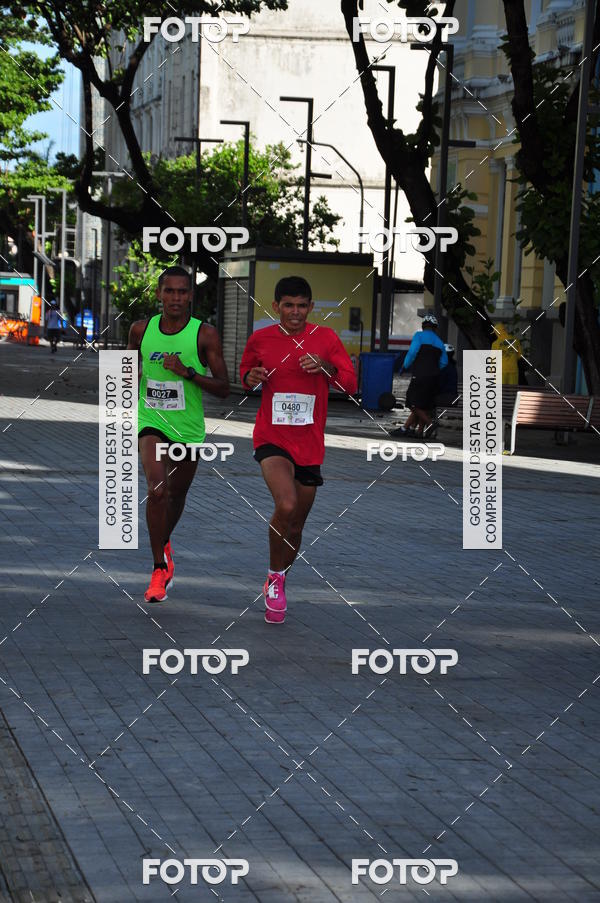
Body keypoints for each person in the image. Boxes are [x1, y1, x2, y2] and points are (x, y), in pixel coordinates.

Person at [240, 275, 358, 625]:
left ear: (311, 307)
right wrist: (251, 378)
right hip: (271, 437)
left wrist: (326, 367)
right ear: (276, 306)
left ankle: (279, 577)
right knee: (287, 504)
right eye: (288, 305)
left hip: (309, 445)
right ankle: (275, 578)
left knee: (295, 526)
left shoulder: (326, 338)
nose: (294, 312)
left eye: (301, 306)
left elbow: (351, 384)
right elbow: (245, 374)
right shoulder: (261, 338)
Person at [128, 266, 230, 603]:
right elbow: (126, 372)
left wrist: (188, 373)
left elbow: (224, 388)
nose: (175, 297)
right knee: (157, 490)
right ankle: (158, 567)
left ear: (190, 295)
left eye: (182, 291)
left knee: (176, 495)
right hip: (150, 421)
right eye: (169, 291)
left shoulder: (205, 335)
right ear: (158, 293)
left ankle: (164, 543)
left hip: (187, 428)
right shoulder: (140, 330)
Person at [391, 313, 448, 438]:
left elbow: (412, 353)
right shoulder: (439, 342)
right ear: (435, 328)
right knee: (424, 405)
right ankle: (417, 431)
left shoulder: (419, 336)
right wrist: (433, 369)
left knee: (412, 402)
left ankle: (430, 423)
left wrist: (405, 365)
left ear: (423, 326)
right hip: (434, 377)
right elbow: (444, 362)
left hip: (420, 375)